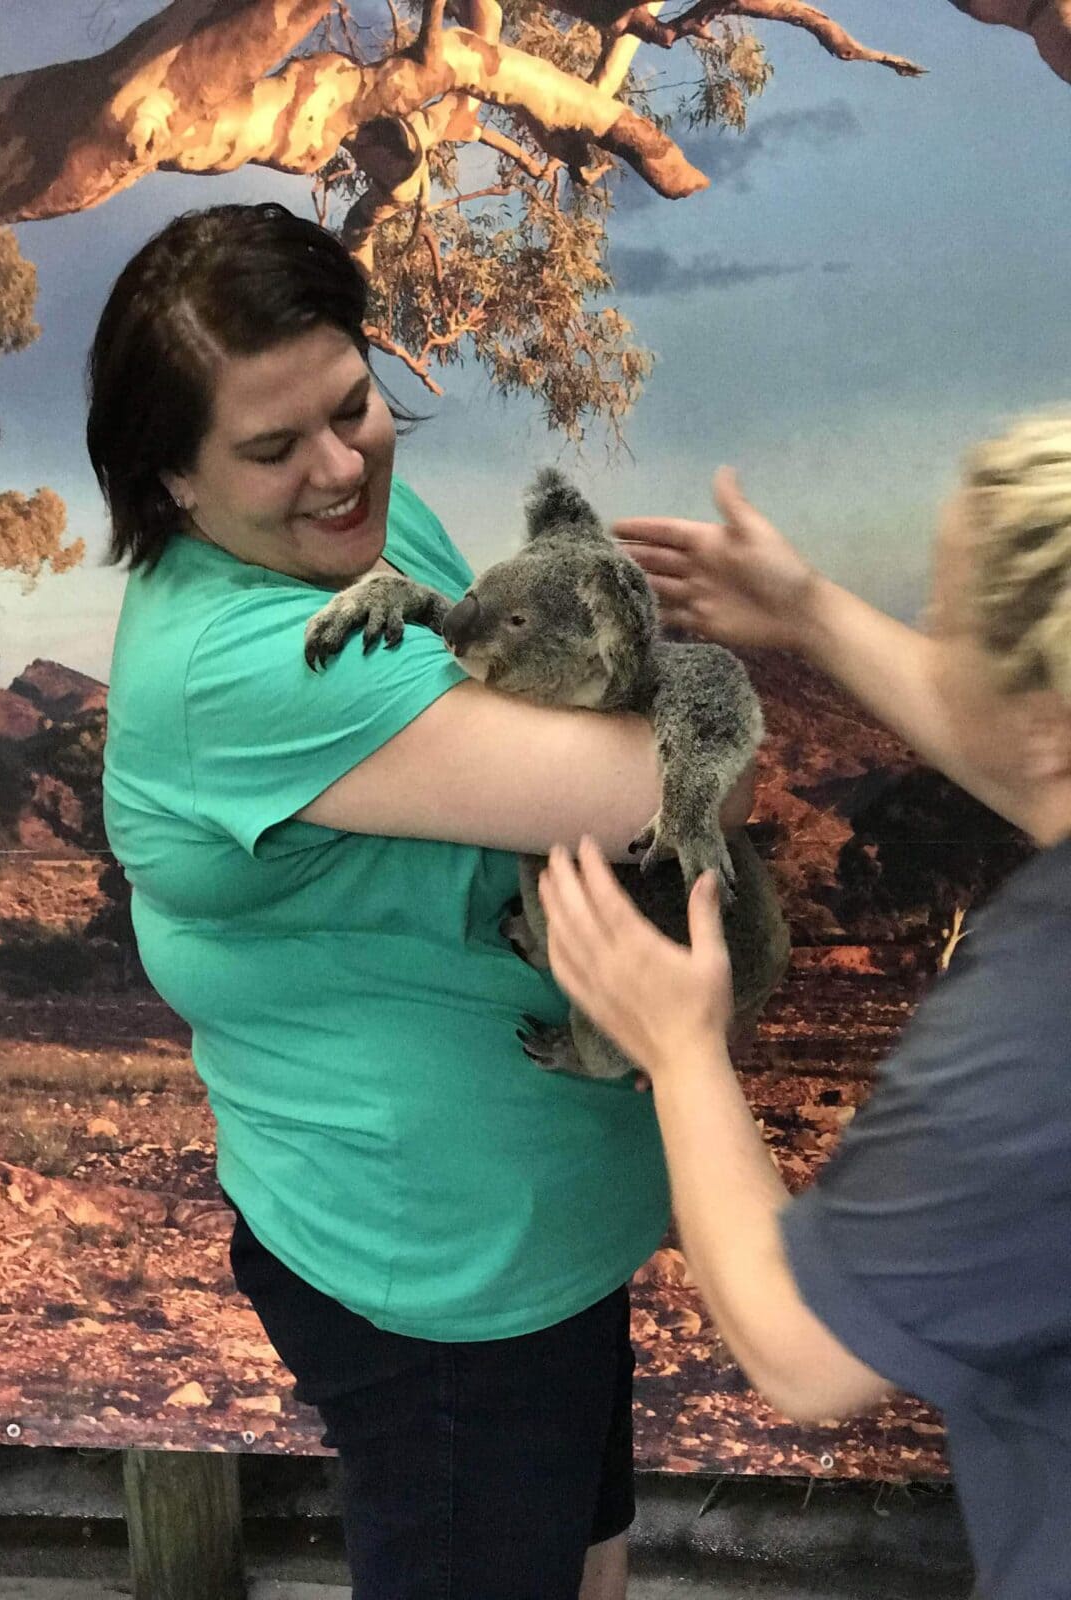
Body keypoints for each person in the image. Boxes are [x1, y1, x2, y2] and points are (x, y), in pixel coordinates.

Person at [87, 202, 752, 1600]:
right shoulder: (252, 658)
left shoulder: (357, 544)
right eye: (273, 449)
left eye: (355, 406)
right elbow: (674, 783)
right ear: (171, 484)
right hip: (447, 1275)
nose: (341, 467)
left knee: (588, 1566)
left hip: (537, 1217)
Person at [537, 416, 1071, 1600]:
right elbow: (1031, 748)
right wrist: (813, 611)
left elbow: (802, 1348)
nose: (931, 644)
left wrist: (681, 1050)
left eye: (952, 625)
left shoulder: (1043, 1015)